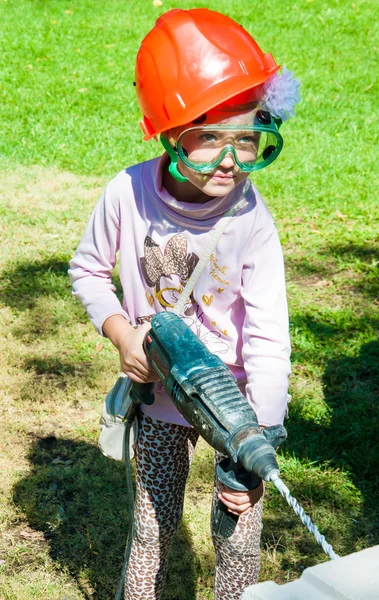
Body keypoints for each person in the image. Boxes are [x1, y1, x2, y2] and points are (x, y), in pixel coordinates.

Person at [69, 8, 300, 600]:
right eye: (210, 140)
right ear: (171, 133)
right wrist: (124, 336)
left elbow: (270, 340)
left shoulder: (253, 220)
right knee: (150, 533)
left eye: (248, 139)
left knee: (239, 547)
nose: (231, 160)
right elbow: (89, 272)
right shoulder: (126, 194)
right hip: (162, 402)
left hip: (237, 410)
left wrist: (258, 439)